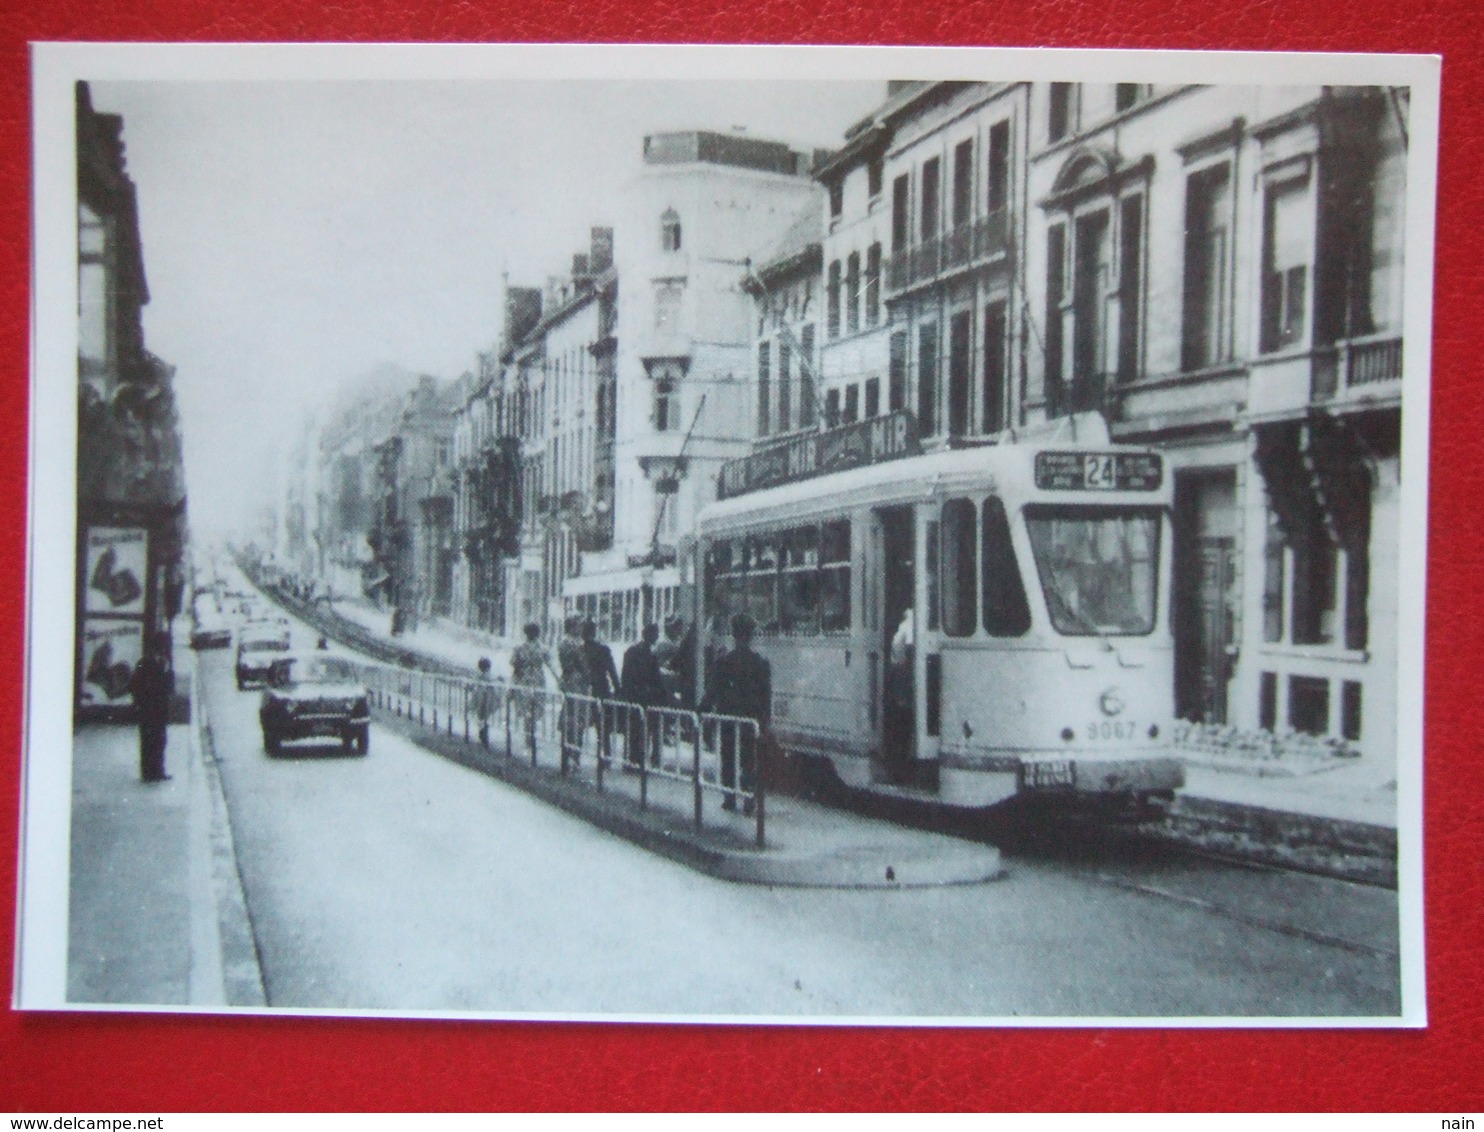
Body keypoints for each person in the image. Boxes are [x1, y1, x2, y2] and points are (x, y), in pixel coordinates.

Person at [699, 614, 771, 814]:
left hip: (728, 718)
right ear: (751, 636)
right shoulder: (760, 663)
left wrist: (701, 710)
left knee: (728, 757)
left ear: (733, 635)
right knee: (749, 758)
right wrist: (765, 721)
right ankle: (749, 798)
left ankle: (729, 797)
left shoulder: (724, 662)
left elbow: (712, 691)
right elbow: (766, 696)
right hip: (751, 719)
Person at [130, 633, 175, 783]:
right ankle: (148, 772)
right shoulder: (144, 663)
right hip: (148, 709)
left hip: (159, 709)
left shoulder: (164, 663)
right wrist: (139, 703)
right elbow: (136, 686)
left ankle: (158, 770)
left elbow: (170, 687)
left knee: (160, 740)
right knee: (149, 740)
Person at [620, 623, 666, 768]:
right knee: (645, 729)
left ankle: (631, 760)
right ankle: (640, 760)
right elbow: (656, 679)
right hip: (645, 696)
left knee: (633, 729)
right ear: (650, 635)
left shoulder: (632, 651)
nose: (657, 637)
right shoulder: (650, 655)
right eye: (655, 634)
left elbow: (625, 675)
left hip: (633, 695)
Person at [581, 619, 620, 763]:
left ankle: (575, 755)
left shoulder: (580, 650)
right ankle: (605, 755)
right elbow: (612, 670)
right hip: (601, 688)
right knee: (603, 725)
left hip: (585, 688)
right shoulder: (603, 650)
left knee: (581, 722)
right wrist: (617, 688)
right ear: (594, 632)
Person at [508, 624, 549, 754]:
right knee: (528, 709)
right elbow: (514, 665)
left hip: (534, 680)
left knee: (535, 709)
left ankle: (530, 734)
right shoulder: (520, 648)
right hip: (528, 680)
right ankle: (529, 737)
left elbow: (549, 663)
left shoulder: (540, 648)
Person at [557, 617, 588, 765]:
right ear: (572, 627)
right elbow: (582, 663)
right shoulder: (575, 643)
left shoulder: (563, 642)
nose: (581, 629)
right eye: (579, 626)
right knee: (578, 716)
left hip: (568, 680)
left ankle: (568, 749)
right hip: (578, 681)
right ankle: (575, 752)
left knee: (569, 714)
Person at [473, 656, 496, 749]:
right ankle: (484, 736)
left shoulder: (479, 677)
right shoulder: (489, 677)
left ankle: (483, 736)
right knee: (484, 719)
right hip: (486, 701)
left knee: (481, 718)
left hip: (482, 701)